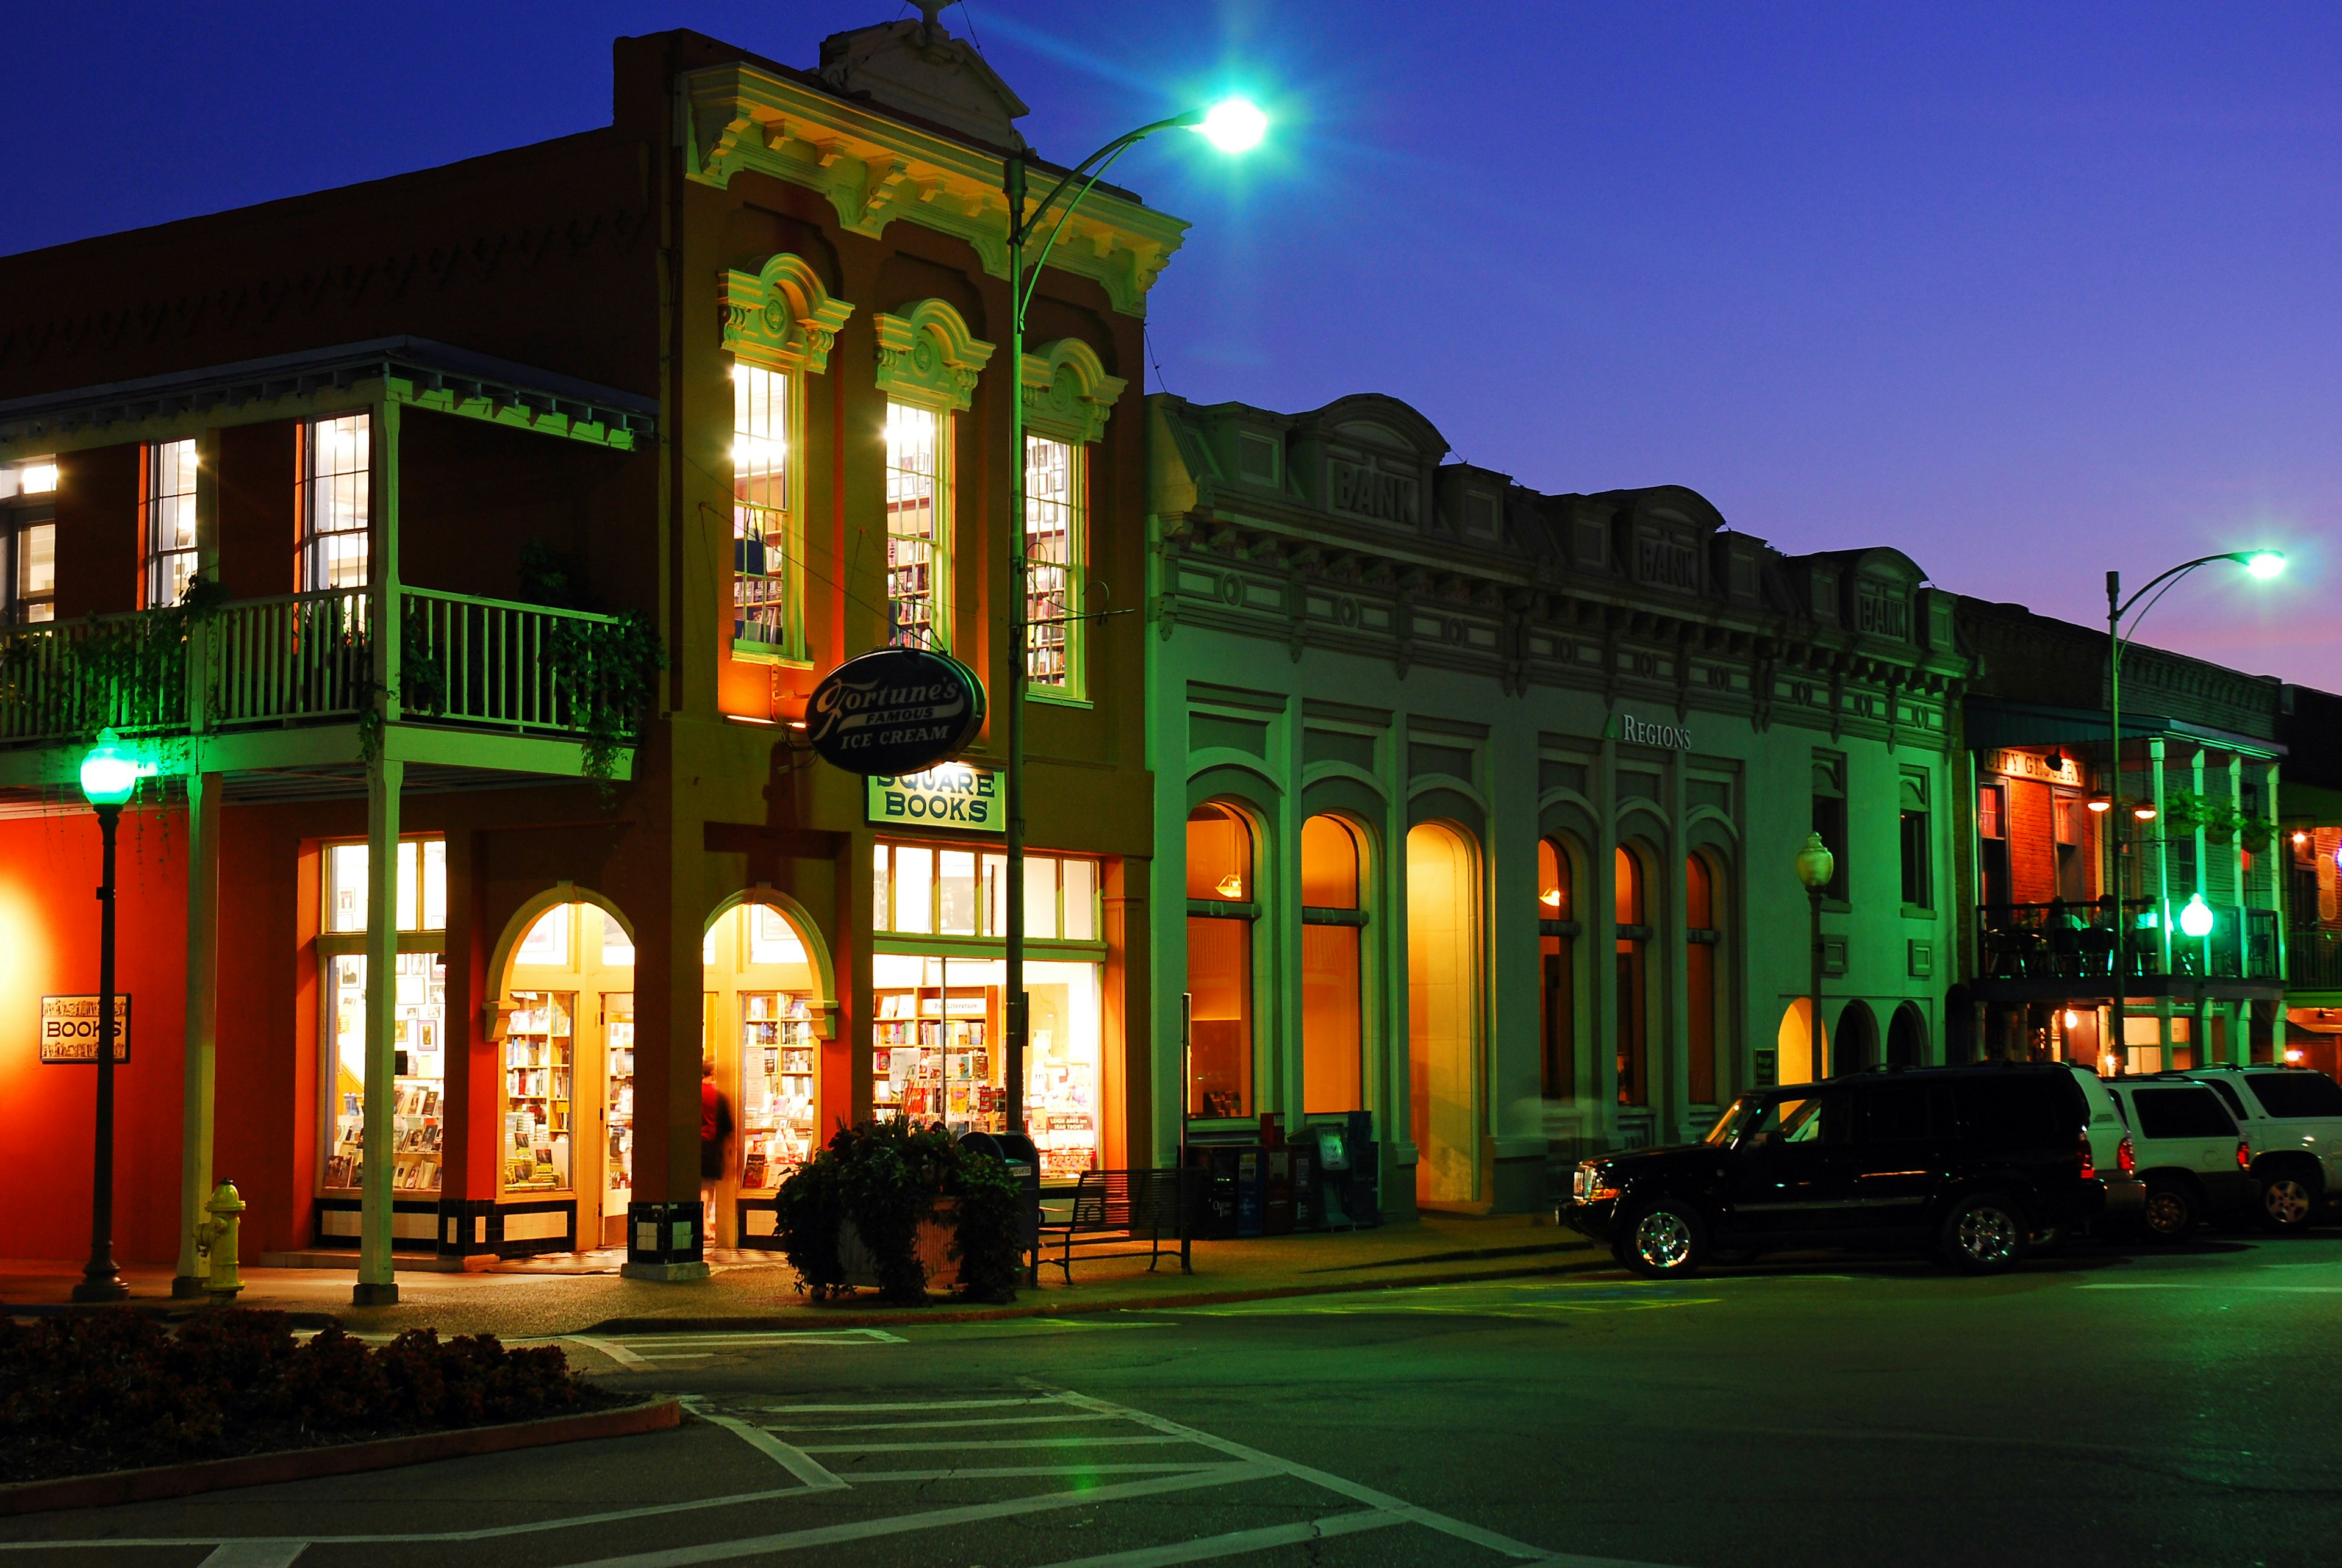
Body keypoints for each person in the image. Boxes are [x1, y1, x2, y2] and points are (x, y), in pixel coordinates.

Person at [701, 1057, 733, 1241]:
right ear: (712, 1074)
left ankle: (701, 1224)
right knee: (706, 1189)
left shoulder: (691, 1094)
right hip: (711, 1147)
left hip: (693, 1146)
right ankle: (704, 1225)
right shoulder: (718, 1096)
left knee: (700, 1187)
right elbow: (727, 1127)